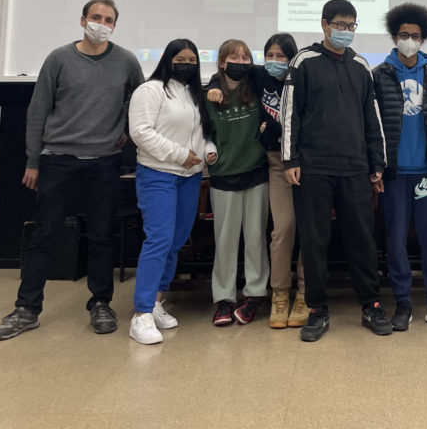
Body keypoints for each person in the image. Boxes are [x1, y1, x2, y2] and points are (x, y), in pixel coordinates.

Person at [0, 0, 143, 341]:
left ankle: (100, 303)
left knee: (102, 235)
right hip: (57, 158)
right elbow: (37, 111)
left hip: (104, 160)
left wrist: (125, 130)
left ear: (115, 26)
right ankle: (27, 309)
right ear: (83, 20)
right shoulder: (58, 58)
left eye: (108, 19)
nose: (101, 23)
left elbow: (142, 102)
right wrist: (33, 160)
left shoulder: (127, 61)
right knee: (44, 233)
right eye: (95, 17)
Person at [281, 0, 390, 342]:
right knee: (314, 240)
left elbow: (372, 117)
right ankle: (317, 309)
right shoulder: (304, 61)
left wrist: (377, 162)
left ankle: (371, 304)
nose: (345, 31)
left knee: (362, 238)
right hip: (313, 168)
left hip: (355, 167)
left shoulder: (360, 65)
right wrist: (290, 159)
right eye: (340, 25)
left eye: (351, 26)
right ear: (325, 25)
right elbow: (290, 113)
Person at [372, 3, 427, 332]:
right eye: (404, 34)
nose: (410, 40)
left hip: (426, 174)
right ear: (395, 37)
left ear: (423, 38)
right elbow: (373, 126)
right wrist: (376, 168)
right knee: (395, 241)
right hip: (394, 175)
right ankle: (403, 302)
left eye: (416, 35)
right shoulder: (379, 74)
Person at [126, 39, 215, 345]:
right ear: (167, 59)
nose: (186, 64)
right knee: (159, 240)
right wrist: (179, 154)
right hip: (158, 174)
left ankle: (155, 301)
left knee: (176, 241)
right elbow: (140, 132)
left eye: (192, 60)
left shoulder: (195, 94)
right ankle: (141, 313)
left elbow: (203, 133)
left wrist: (208, 152)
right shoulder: (150, 90)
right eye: (181, 59)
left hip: (190, 177)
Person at [205, 39, 269, 327]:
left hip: (256, 172)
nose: (241, 62)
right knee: (225, 241)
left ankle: (255, 294)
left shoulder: (256, 87)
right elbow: (203, 132)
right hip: (223, 175)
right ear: (222, 62)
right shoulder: (209, 94)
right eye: (235, 57)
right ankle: (224, 298)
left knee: (255, 238)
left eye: (246, 58)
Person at [259, 34, 308, 329]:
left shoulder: (301, 81)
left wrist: (274, 127)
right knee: (283, 228)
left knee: (308, 228)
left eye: (281, 56)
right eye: (270, 55)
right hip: (277, 164)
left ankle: (304, 293)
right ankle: (279, 293)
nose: (274, 61)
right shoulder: (259, 77)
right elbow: (225, 75)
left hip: (305, 163)